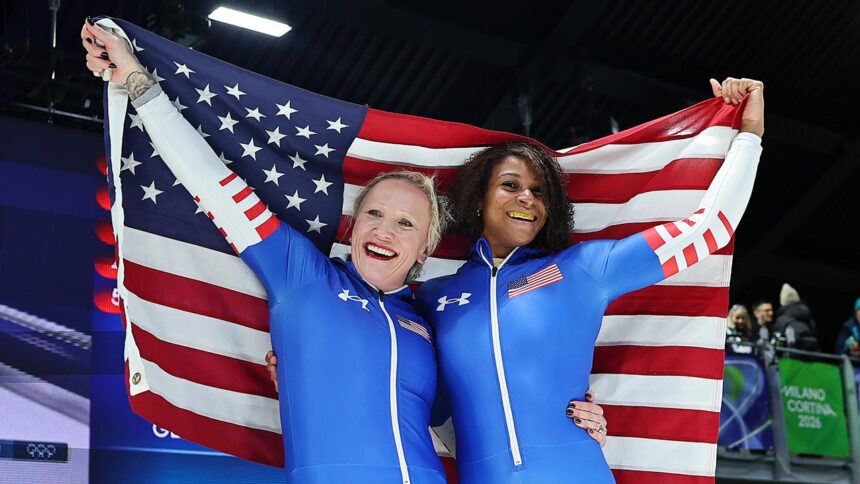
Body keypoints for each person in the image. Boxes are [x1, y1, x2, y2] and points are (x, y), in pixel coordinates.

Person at [81, 18, 605, 483]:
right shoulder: (302, 276)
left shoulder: (426, 319)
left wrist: (571, 430)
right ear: (352, 227)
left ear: (424, 250)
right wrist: (140, 84)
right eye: (374, 214)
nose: (385, 231)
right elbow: (213, 185)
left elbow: (469, 427)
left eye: (406, 224)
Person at [414, 77, 765, 483]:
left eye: (539, 191)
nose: (527, 198)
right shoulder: (434, 298)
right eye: (510, 185)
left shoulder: (582, 268)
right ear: (478, 198)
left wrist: (749, 137)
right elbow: (435, 408)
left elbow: (708, 229)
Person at [773, 283, 820, 351]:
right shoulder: (808, 317)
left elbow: (778, 345)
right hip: (812, 356)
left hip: (791, 358)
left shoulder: (782, 320)